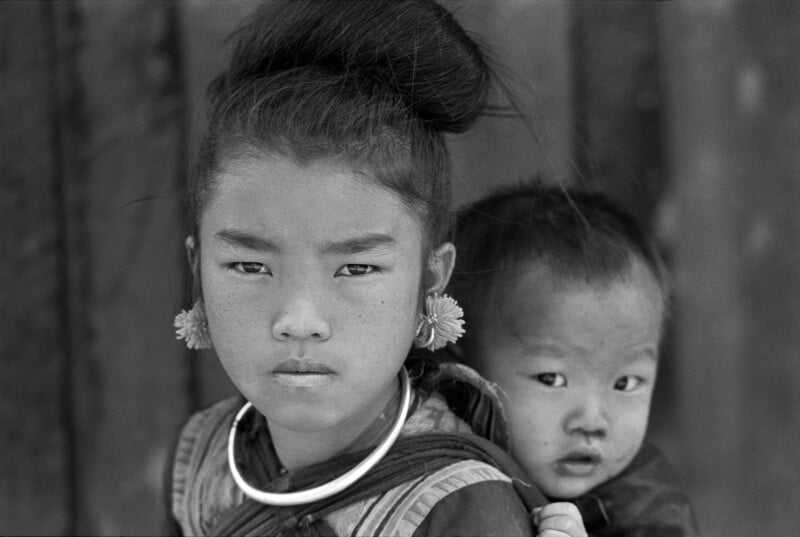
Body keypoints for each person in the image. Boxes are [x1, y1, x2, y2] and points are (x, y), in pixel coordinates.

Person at [166, 2, 587, 536]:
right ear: (197, 269)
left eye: (357, 269)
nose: (298, 320)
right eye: (249, 265)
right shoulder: (201, 460)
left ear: (431, 278)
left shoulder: (461, 511)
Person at [449, 182, 700, 537]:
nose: (592, 421)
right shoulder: (438, 454)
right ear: (462, 368)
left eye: (624, 383)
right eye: (552, 379)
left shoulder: (648, 512)